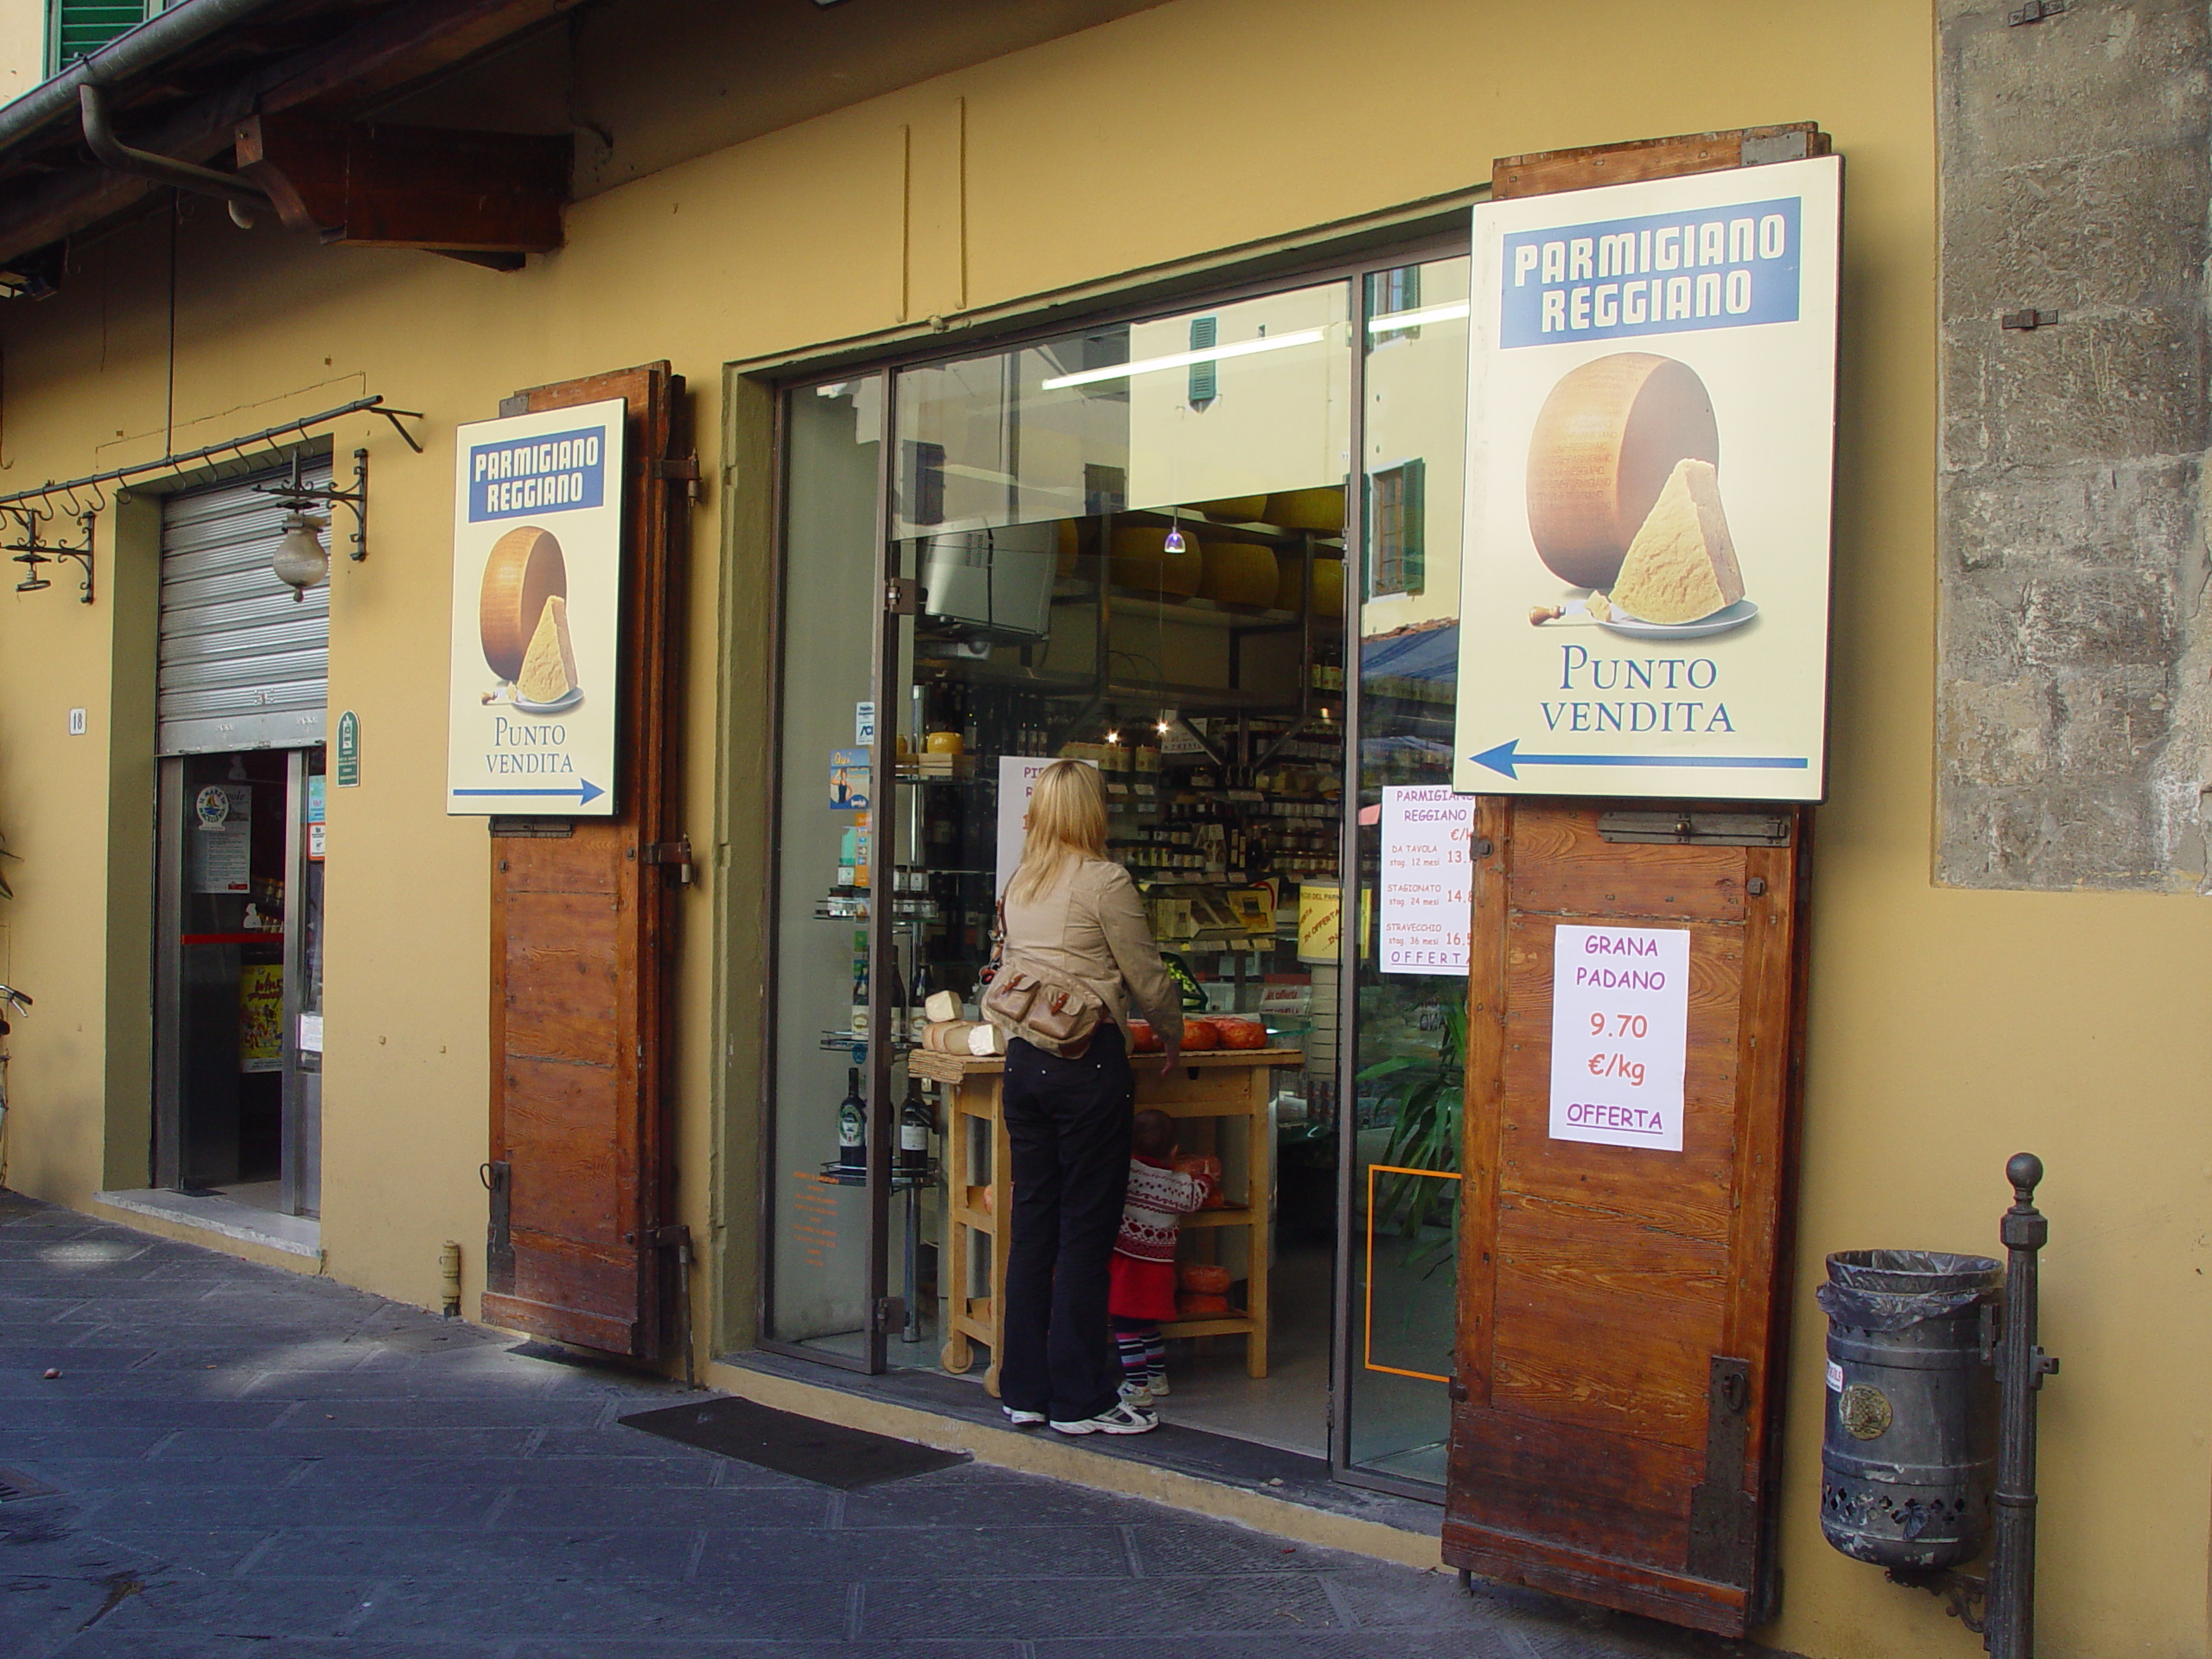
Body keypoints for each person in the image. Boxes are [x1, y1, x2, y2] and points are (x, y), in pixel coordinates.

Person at [991, 759, 1184, 1436]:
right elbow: (1147, 975)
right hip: (1085, 1065)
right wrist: (1171, 1033)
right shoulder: (1104, 879)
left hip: (1023, 1064)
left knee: (1034, 1230)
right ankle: (1083, 1400)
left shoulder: (1020, 882)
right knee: (1085, 1233)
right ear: (1092, 811)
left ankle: (1025, 1391)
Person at [1108, 1109, 1215, 1410]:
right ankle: (1158, 1377)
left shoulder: (1125, 1173)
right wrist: (1206, 1177)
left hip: (1127, 1264)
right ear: (1174, 1150)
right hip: (1160, 1268)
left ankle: (1137, 1385)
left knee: (1125, 1326)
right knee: (1148, 1326)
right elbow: (1195, 1197)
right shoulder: (1179, 1183)